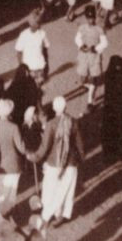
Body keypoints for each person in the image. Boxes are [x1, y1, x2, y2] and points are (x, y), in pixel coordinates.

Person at [30, 96, 85, 226]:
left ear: (54, 109)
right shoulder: (73, 122)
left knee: (51, 190)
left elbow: (45, 147)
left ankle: (48, 215)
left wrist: (35, 156)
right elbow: (79, 143)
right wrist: (81, 157)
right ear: (66, 107)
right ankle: (64, 214)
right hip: (70, 163)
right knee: (67, 190)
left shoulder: (51, 124)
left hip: (54, 163)